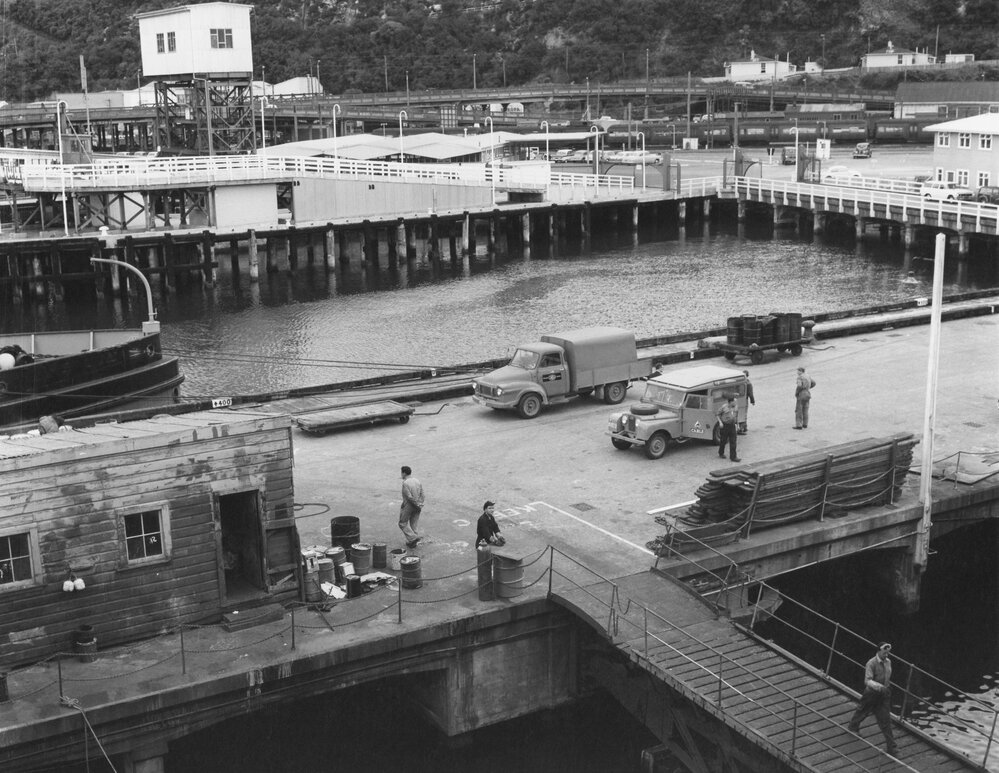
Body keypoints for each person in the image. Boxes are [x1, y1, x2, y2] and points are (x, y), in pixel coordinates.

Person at [848, 643, 898, 756]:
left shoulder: (888, 662)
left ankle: (891, 746)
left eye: (888, 653)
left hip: (883, 695)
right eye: (884, 653)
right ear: (879, 651)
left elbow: (887, 677)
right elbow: (867, 680)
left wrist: (887, 687)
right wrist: (880, 687)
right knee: (863, 711)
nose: (886, 655)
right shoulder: (871, 663)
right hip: (872, 693)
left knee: (885, 719)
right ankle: (853, 726)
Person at [399, 465, 424, 548]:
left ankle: (413, 538)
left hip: (409, 506)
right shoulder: (417, 481)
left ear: (404, 473)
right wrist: (420, 504)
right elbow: (422, 494)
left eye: (401, 473)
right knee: (414, 524)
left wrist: (416, 504)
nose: (401, 475)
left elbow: (409, 497)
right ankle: (413, 542)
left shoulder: (405, 483)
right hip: (418, 505)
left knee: (402, 523)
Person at [715, 394, 741, 462]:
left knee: (733, 441)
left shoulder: (736, 407)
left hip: (732, 426)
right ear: (730, 402)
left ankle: (733, 457)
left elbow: (736, 416)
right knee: (723, 441)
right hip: (725, 426)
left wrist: (737, 425)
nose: (736, 403)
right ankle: (721, 453)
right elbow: (717, 414)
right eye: (734, 401)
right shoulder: (724, 407)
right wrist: (720, 422)